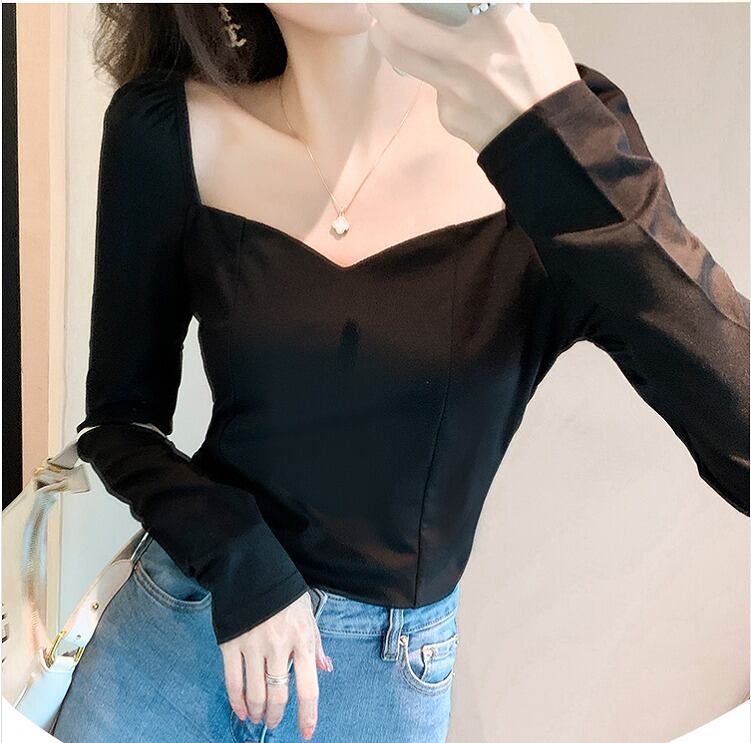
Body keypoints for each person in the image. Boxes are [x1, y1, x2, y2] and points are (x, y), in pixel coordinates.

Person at [51, 4, 749, 743]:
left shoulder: (557, 138)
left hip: (377, 685)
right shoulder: (166, 129)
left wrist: (552, 134)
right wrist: (236, 552)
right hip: (177, 632)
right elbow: (118, 421)